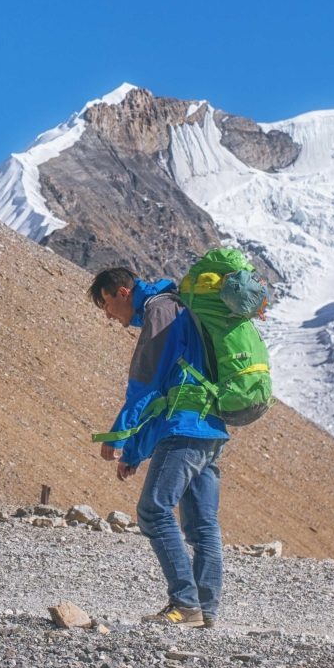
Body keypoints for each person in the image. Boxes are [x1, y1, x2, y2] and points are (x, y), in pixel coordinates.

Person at [89, 265, 227, 627]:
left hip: (183, 430)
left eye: (106, 304)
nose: (107, 315)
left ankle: (186, 602)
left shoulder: (159, 310)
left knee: (153, 510)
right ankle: (205, 609)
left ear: (122, 292)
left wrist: (120, 435)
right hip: (208, 429)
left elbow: (146, 384)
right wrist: (135, 452)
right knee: (202, 525)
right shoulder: (178, 308)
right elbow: (169, 393)